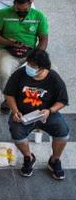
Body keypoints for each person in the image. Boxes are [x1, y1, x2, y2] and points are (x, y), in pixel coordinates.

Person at [4, 50, 69, 180]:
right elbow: (9, 94)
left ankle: (54, 160)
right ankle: (29, 157)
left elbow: (62, 100)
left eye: (33, 66)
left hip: (47, 114)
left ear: (43, 68)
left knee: (63, 132)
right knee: (17, 134)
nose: (29, 67)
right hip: (23, 114)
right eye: (29, 63)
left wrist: (50, 111)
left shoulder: (54, 78)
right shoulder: (19, 74)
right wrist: (15, 111)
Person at [0, 0, 49, 113]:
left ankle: (41, 99)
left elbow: (43, 39)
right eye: (18, 10)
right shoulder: (2, 14)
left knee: (50, 71)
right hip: (8, 50)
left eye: (25, 10)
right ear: (14, 3)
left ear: (30, 3)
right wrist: (10, 43)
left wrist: (36, 57)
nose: (21, 12)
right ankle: (9, 97)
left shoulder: (39, 16)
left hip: (31, 52)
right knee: (2, 73)